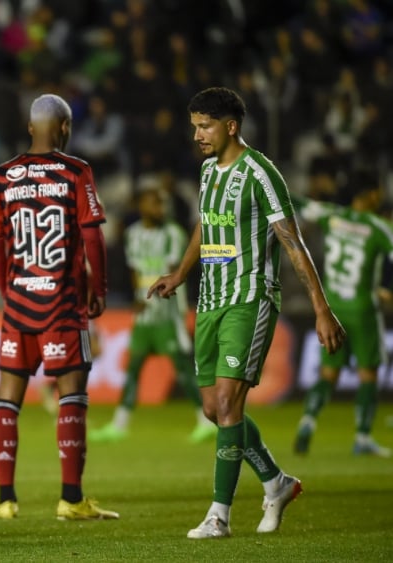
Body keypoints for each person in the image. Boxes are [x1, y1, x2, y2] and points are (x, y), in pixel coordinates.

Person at [147, 87, 346, 540]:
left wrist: (321, 308)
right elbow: (205, 223)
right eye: (195, 125)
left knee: (229, 404)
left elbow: (292, 241)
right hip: (211, 301)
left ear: (230, 126)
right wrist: (179, 274)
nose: (197, 134)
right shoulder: (206, 172)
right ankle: (277, 482)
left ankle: (219, 515)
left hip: (250, 298)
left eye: (205, 125)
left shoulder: (261, 173)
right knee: (213, 410)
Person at [0, 93, 119, 521]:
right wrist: (98, 288)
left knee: (8, 399)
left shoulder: (3, 176)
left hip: (19, 302)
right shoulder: (76, 171)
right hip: (61, 303)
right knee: (71, 397)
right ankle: (71, 499)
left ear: (31, 128)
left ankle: (5, 500)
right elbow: (93, 236)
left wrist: (7, 291)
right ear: (64, 129)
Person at [89, 186, 216, 444]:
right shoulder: (133, 234)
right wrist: (138, 295)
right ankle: (119, 425)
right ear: (141, 207)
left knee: (183, 369)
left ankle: (206, 421)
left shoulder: (173, 233)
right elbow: (135, 268)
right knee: (133, 368)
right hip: (145, 314)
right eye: (154, 204)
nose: (160, 209)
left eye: (162, 204)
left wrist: (151, 294)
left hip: (168, 314)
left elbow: (172, 271)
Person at [294, 171, 393, 458]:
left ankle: (308, 422)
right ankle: (362, 436)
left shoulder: (332, 215)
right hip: (363, 309)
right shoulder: (378, 226)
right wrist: (387, 288)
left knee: (328, 374)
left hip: (332, 309)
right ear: (371, 194)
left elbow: (300, 204)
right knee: (368, 374)